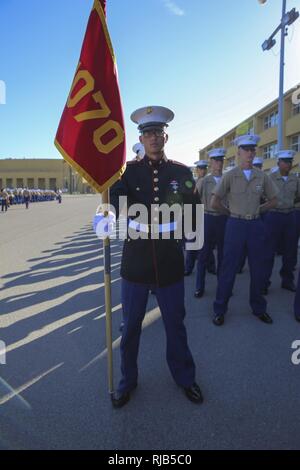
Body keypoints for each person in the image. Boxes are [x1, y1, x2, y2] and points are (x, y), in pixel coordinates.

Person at [109, 105, 203, 407]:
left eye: (157, 132)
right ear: (141, 137)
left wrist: (182, 228)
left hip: (169, 266)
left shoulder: (180, 172)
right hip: (135, 267)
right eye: (147, 133)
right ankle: (127, 381)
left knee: (176, 326)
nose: (152, 137)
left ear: (166, 136)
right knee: (131, 328)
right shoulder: (128, 173)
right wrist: (108, 191)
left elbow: (194, 212)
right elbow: (113, 205)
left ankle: (185, 377)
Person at [211, 134, 278, 326]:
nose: (250, 153)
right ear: (238, 152)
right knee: (228, 269)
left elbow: (274, 200)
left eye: (252, 149)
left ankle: (259, 308)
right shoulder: (230, 176)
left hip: (256, 225)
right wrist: (230, 213)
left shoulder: (261, 176)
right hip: (235, 225)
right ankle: (220, 309)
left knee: (258, 268)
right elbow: (215, 202)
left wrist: (259, 210)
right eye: (246, 149)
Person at [263, 150, 300, 294]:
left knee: (290, 251)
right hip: (274, 216)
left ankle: (287, 280)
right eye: (285, 162)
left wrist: (288, 203)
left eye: (290, 162)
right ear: (278, 163)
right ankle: (264, 282)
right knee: (268, 251)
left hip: (290, 216)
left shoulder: (295, 179)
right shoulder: (269, 178)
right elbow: (262, 195)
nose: (288, 164)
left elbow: (298, 196)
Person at [194, 148, 228, 298]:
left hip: (223, 218)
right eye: (215, 160)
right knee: (203, 255)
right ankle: (199, 287)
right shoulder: (204, 181)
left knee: (223, 255)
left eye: (221, 160)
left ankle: (223, 286)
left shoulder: (228, 179)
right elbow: (195, 200)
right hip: (207, 218)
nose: (218, 163)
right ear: (211, 163)